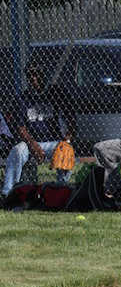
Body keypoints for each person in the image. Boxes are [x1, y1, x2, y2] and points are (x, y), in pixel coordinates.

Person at [1, 63, 75, 197]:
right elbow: (21, 128)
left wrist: (67, 139)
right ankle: (8, 194)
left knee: (65, 150)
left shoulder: (57, 93)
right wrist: (33, 144)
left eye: (37, 74)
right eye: (30, 75)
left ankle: (61, 191)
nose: (33, 78)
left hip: (54, 142)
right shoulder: (23, 98)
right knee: (17, 150)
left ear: (43, 74)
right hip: (30, 144)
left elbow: (71, 118)